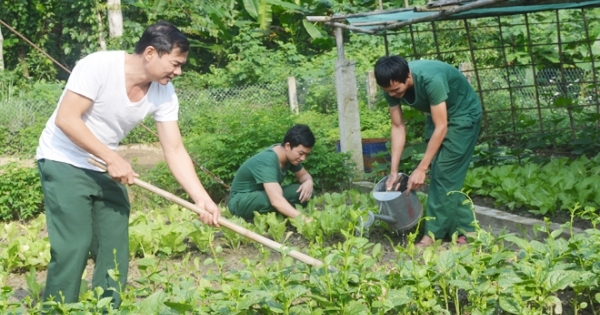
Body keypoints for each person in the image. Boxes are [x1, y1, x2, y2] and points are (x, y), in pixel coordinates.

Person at [36, 21, 221, 307]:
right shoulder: (98, 66)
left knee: (114, 250)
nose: (178, 72)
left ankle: (108, 309)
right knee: (74, 245)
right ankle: (57, 310)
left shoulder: (164, 93)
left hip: (104, 165)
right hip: (64, 159)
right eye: (175, 63)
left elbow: (173, 149)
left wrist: (202, 199)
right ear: (150, 53)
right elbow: (67, 119)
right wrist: (112, 158)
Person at [374, 55, 482, 246]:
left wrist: (421, 168)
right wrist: (393, 172)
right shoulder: (389, 85)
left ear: (408, 77)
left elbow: (442, 128)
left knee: (444, 172)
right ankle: (467, 229)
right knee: (444, 176)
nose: (392, 94)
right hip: (438, 115)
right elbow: (398, 127)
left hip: (463, 115)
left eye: (396, 90)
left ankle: (432, 236)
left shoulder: (432, 79)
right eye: (387, 91)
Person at [228, 124, 315, 222]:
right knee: (274, 200)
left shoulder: (291, 157)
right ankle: (261, 219)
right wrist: (304, 220)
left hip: (262, 195)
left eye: (306, 155)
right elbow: (276, 200)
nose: (303, 158)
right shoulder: (267, 160)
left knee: (306, 192)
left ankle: (281, 214)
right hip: (240, 202)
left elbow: (304, 175)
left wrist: (309, 182)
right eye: (301, 153)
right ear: (287, 146)